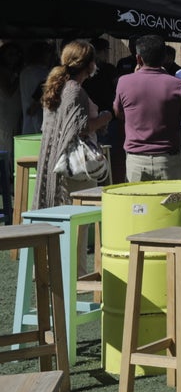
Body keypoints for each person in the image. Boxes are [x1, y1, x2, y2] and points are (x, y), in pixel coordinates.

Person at [34, 41, 112, 277]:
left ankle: (53, 277)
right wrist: (106, 117)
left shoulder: (55, 85)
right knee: (76, 228)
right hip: (73, 169)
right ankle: (72, 280)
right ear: (89, 65)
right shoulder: (74, 90)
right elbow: (80, 129)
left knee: (60, 225)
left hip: (54, 165)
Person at [114, 34, 181, 182]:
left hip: (136, 160)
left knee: (139, 205)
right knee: (174, 204)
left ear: (138, 58)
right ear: (164, 58)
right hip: (169, 160)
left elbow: (118, 113)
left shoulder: (124, 82)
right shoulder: (178, 85)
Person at [19, 41, 54, 134]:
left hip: (27, 122)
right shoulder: (43, 73)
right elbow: (42, 94)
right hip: (41, 120)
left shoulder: (24, 72)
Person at [0, 43, 23, 157]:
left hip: (15, 110)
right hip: (5, 111)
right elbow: (8, 92)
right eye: (10, 54)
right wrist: (20, 78)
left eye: (16, 54)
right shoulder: (2, 72)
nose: (14, 57)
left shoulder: (13, 71)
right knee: (6, 138)